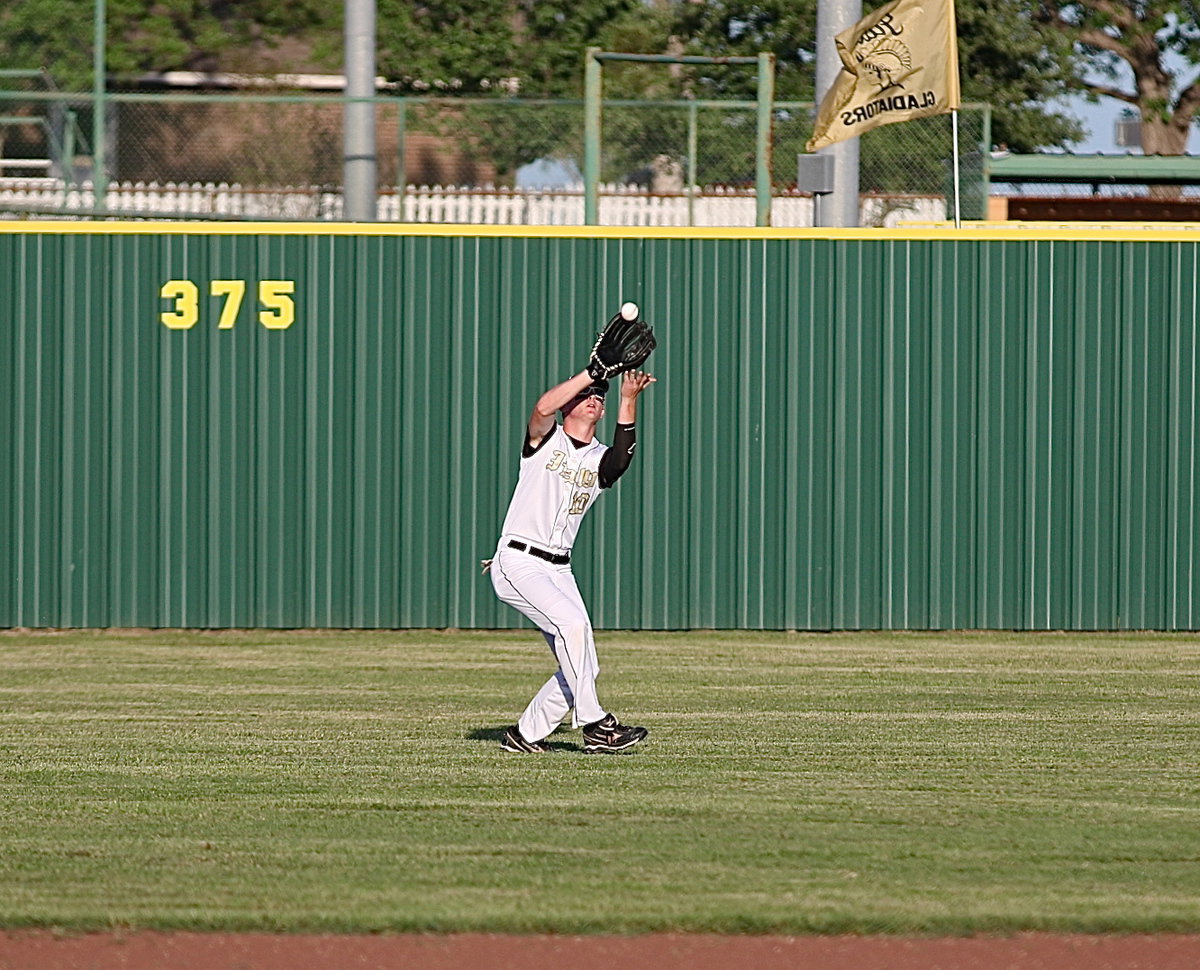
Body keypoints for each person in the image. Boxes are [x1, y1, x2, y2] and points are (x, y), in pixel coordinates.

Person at [484, 365, 656, 754]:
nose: (595, 397)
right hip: (518, 561)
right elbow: (543, 407)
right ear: (568, 405)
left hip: (559, 567)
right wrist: (592, 371)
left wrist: (627, 400)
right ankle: (595, 726)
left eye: (600, 395)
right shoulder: (545, 440)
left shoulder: (599, 459)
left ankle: (524, 735)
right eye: (586, 394)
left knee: (584, 667)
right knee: (574, 625)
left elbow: (620, 460)